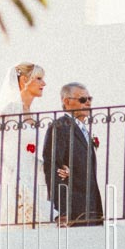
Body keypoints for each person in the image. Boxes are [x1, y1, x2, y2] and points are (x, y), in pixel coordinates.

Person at [0, 63, 51, 226]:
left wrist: (43, 166)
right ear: (24, 80)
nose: (43, 84)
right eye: (38, 79)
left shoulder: (32, 114)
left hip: (31, 174)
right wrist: (8, 167)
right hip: (12, 174)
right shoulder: (10, 109)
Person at [43, 82, 104, 226]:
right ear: (67, 101)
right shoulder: (61, 126)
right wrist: (61, 211)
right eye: (83, 100)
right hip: (73, 208)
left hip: (90, 207)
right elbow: (53, 167)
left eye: (90, 99)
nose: (88, 103)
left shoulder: (83, 129)